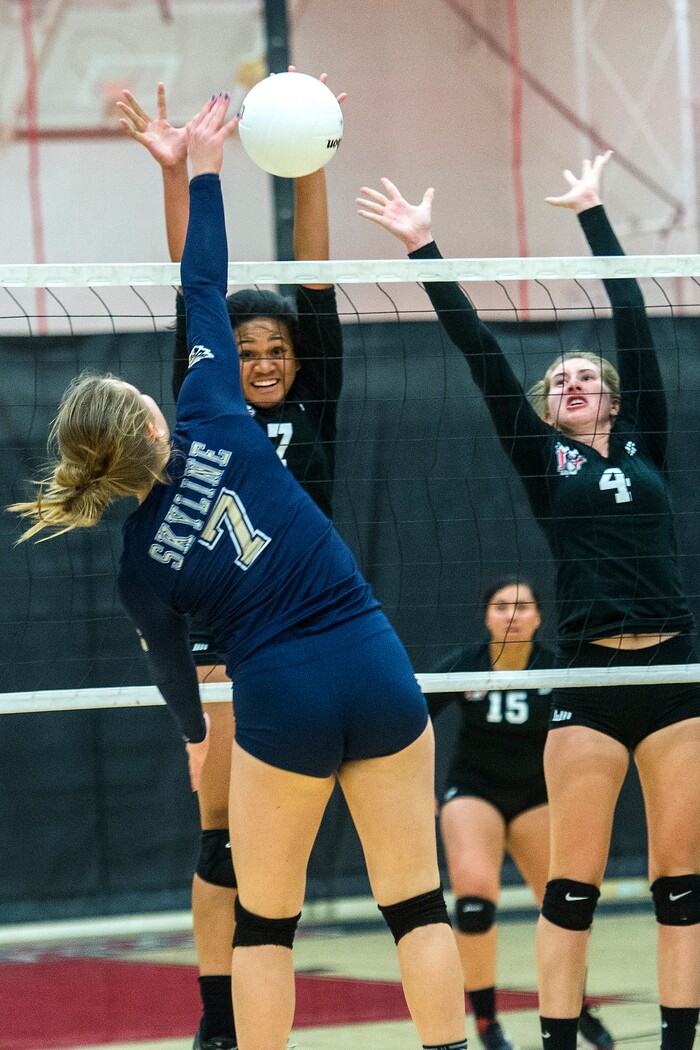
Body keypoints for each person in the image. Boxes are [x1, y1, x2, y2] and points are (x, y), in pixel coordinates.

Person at [10, 95, 469, 1050]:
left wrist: (189, 735)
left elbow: (172, 668)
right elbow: (204, 283)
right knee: (416, 904)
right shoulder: (213, 407)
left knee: (267, 921)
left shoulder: (140, 563)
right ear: (151, 422)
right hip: (372, 656)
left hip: (274, 686)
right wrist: (206, 164)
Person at [357, 153, 700, 1050]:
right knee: (571, 888)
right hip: (589, 679)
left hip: (676, 670)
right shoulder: (547, 464)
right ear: (549, 411)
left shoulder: (646, 444)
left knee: (682, 882)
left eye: (585, 379)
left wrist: (593, 214)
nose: (570, 384)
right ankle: (553, 1041)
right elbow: (479, 354)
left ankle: (676, 1041)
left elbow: (632, 314)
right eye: (558, 384)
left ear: (616, 402)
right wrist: (425, 249)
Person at [117, 75, 344, 1050]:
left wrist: (314, 162)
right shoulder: (208, 409)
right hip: (220, 645)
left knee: (273, 854)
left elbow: (316, 279)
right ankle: (218, 1021)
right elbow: (192, 284)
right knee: (219, 843)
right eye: (244, 346)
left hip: (303, 645)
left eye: (275, 348)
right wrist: (180, 176)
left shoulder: (313, 408)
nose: (259, 358)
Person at [427, 578, 612, 1050]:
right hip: (474, 791)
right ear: (486, 616)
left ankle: (578, 1004)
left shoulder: (557, 667)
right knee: (472, 898)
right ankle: (487, 1022)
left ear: (539, 617)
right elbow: (411, 713)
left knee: (565, 904)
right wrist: (413, 790)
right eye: (501, 606)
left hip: (536, 796)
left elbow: (601, 726)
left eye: (523, 606)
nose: (512, 614)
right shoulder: (467, 666)